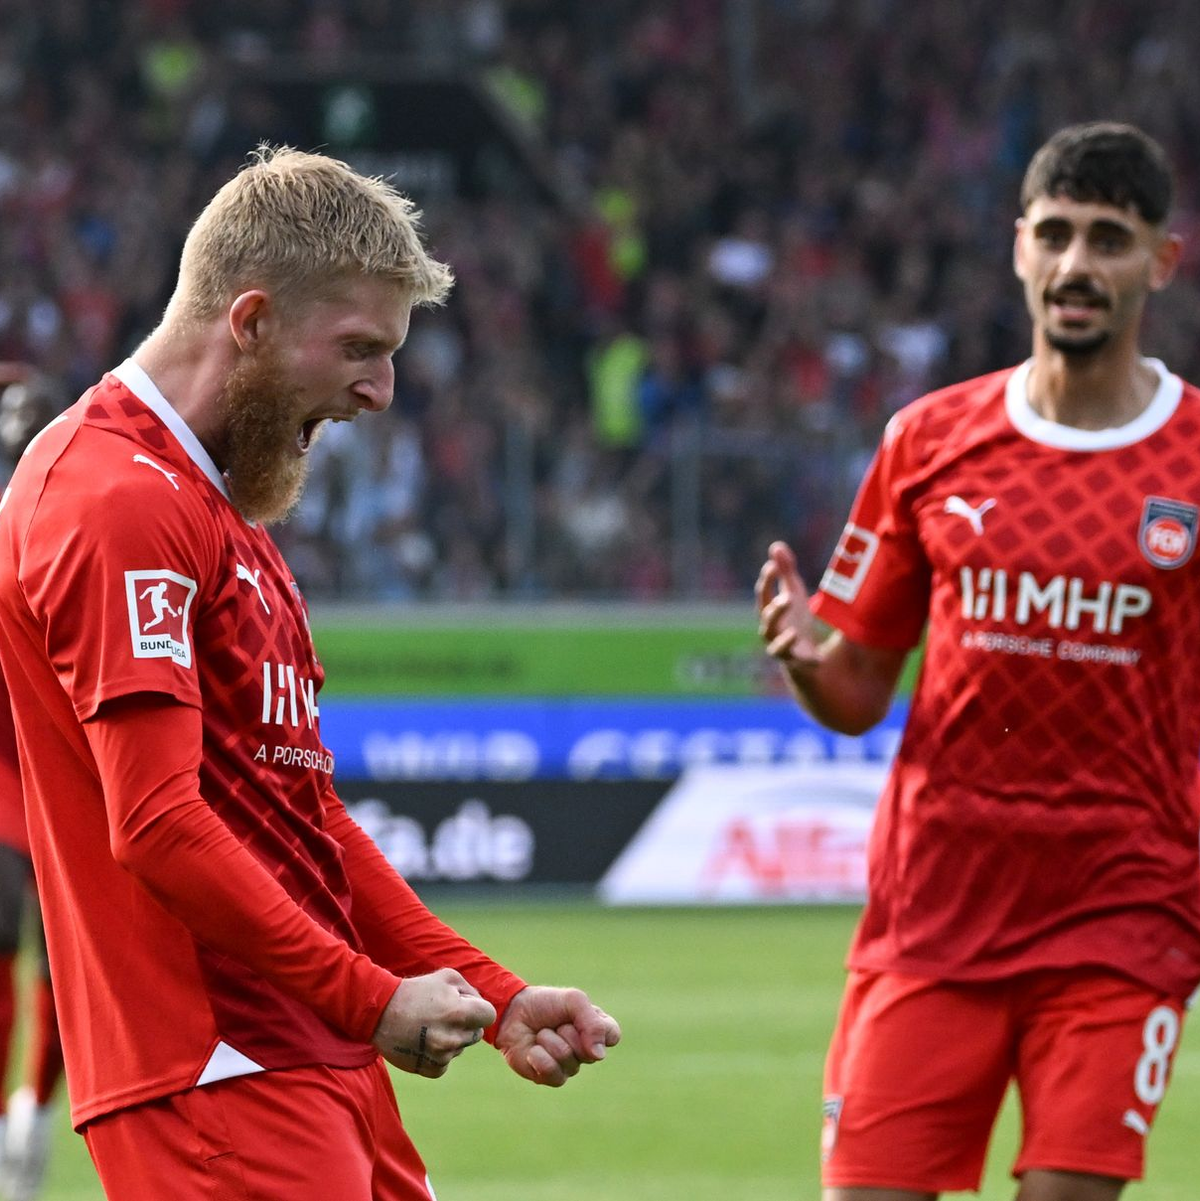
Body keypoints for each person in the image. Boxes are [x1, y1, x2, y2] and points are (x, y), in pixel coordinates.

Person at [0, 146, 620, 1200]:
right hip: (217, 1073)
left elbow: (307, 818)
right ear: (250, 323)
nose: (381, 391)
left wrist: (491, 991)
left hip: (311, 1057)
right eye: (360, 350)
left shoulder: (221, 509)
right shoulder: (115, 498)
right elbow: (155, 822)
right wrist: (368, 999)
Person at [755, 121, 1200, 1201]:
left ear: (1160, 260)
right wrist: (811, 660)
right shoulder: (930, 439)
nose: (1078, 264)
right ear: (1018, 248)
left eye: (1108, 238)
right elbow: (860, 691)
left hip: (1121, 912)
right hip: (934, 914)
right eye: (1055, 233)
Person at [0, 368, 68, 1201]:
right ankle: (30, 1122)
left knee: (34, 972)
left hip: (29, 792)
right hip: (53, 798)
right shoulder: (78, 522)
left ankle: (24, 1126)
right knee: (48, 973)